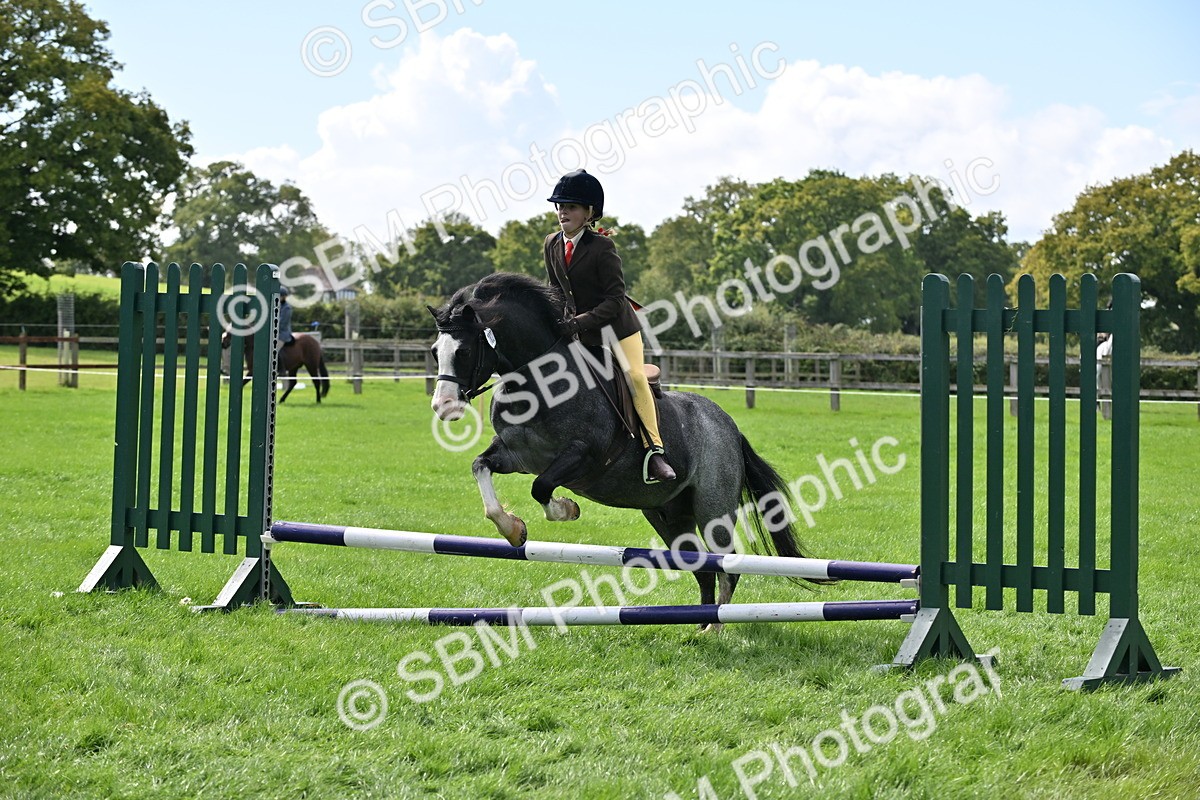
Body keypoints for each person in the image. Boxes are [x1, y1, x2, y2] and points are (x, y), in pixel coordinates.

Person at [543, 169, 676, 484]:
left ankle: (654, 450)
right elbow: (554, 290)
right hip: (577, 329)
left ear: (589, 213)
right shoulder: (551, 243)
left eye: (571, 206)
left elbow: (615, 300)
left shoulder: (602, 248)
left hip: (617, 328)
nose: (563, 212)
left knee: (634, 377)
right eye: (560, 206)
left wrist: (577, 322)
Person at [277, 285, 295, 376]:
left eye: (280, 296)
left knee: (274, 349)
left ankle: (282, 370)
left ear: (283, 297)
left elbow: (282, 323)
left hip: (283, 334)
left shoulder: (287, 308)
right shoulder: (276, 306)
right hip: (275, 333)